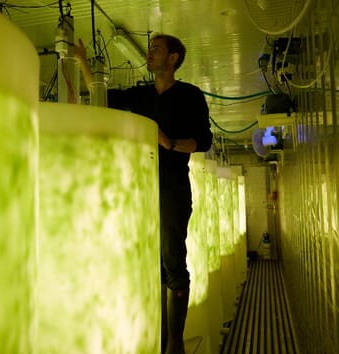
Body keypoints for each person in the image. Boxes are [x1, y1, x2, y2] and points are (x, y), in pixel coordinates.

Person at [74, 34, 213, 354]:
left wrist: (171, 144)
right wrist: (81, 61)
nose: (149, 54)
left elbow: (204, 141)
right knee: (152, 265)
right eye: (149, 49)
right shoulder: (141, 96)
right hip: (140, 187)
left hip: (172, 187)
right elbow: (101, 97)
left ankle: (175, 344)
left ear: (174, 58)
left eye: (156, 49)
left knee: (173, 262)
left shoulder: (190, 95)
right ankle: (157, 337)